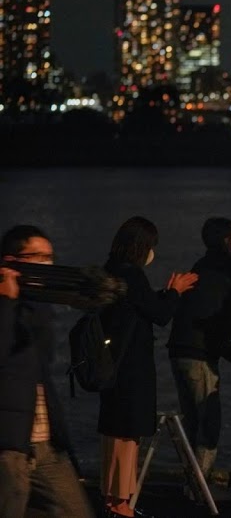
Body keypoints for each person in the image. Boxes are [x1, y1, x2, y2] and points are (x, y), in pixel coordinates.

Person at [100, 217, 198, 518]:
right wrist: (176, 292)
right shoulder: (132, 274)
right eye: (151, 246)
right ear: (141, 247)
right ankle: (119, 503)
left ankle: (116, 499)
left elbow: (138, 307)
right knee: (128, 433)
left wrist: (164, 294)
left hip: (113, 363)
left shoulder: (111, 270)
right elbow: (160, 315)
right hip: (131, 367)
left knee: (116, 431)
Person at [0, 226, 95, 518]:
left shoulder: (36, 307)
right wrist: (6, 302)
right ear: (11, 261)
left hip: (44, 440)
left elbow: (42, 370)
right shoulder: (6, 306)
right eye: (36, 256)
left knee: (75, 510)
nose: (45, 263)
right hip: (9, 444)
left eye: (49, 256)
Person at [167, 217, 231, 485]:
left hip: (178, 352)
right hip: (199, 356)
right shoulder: (227, 270)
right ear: (228, 241)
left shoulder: (201, 267)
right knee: (208, 425)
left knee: (192, 424)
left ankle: (190, 483)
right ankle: (199, 490)